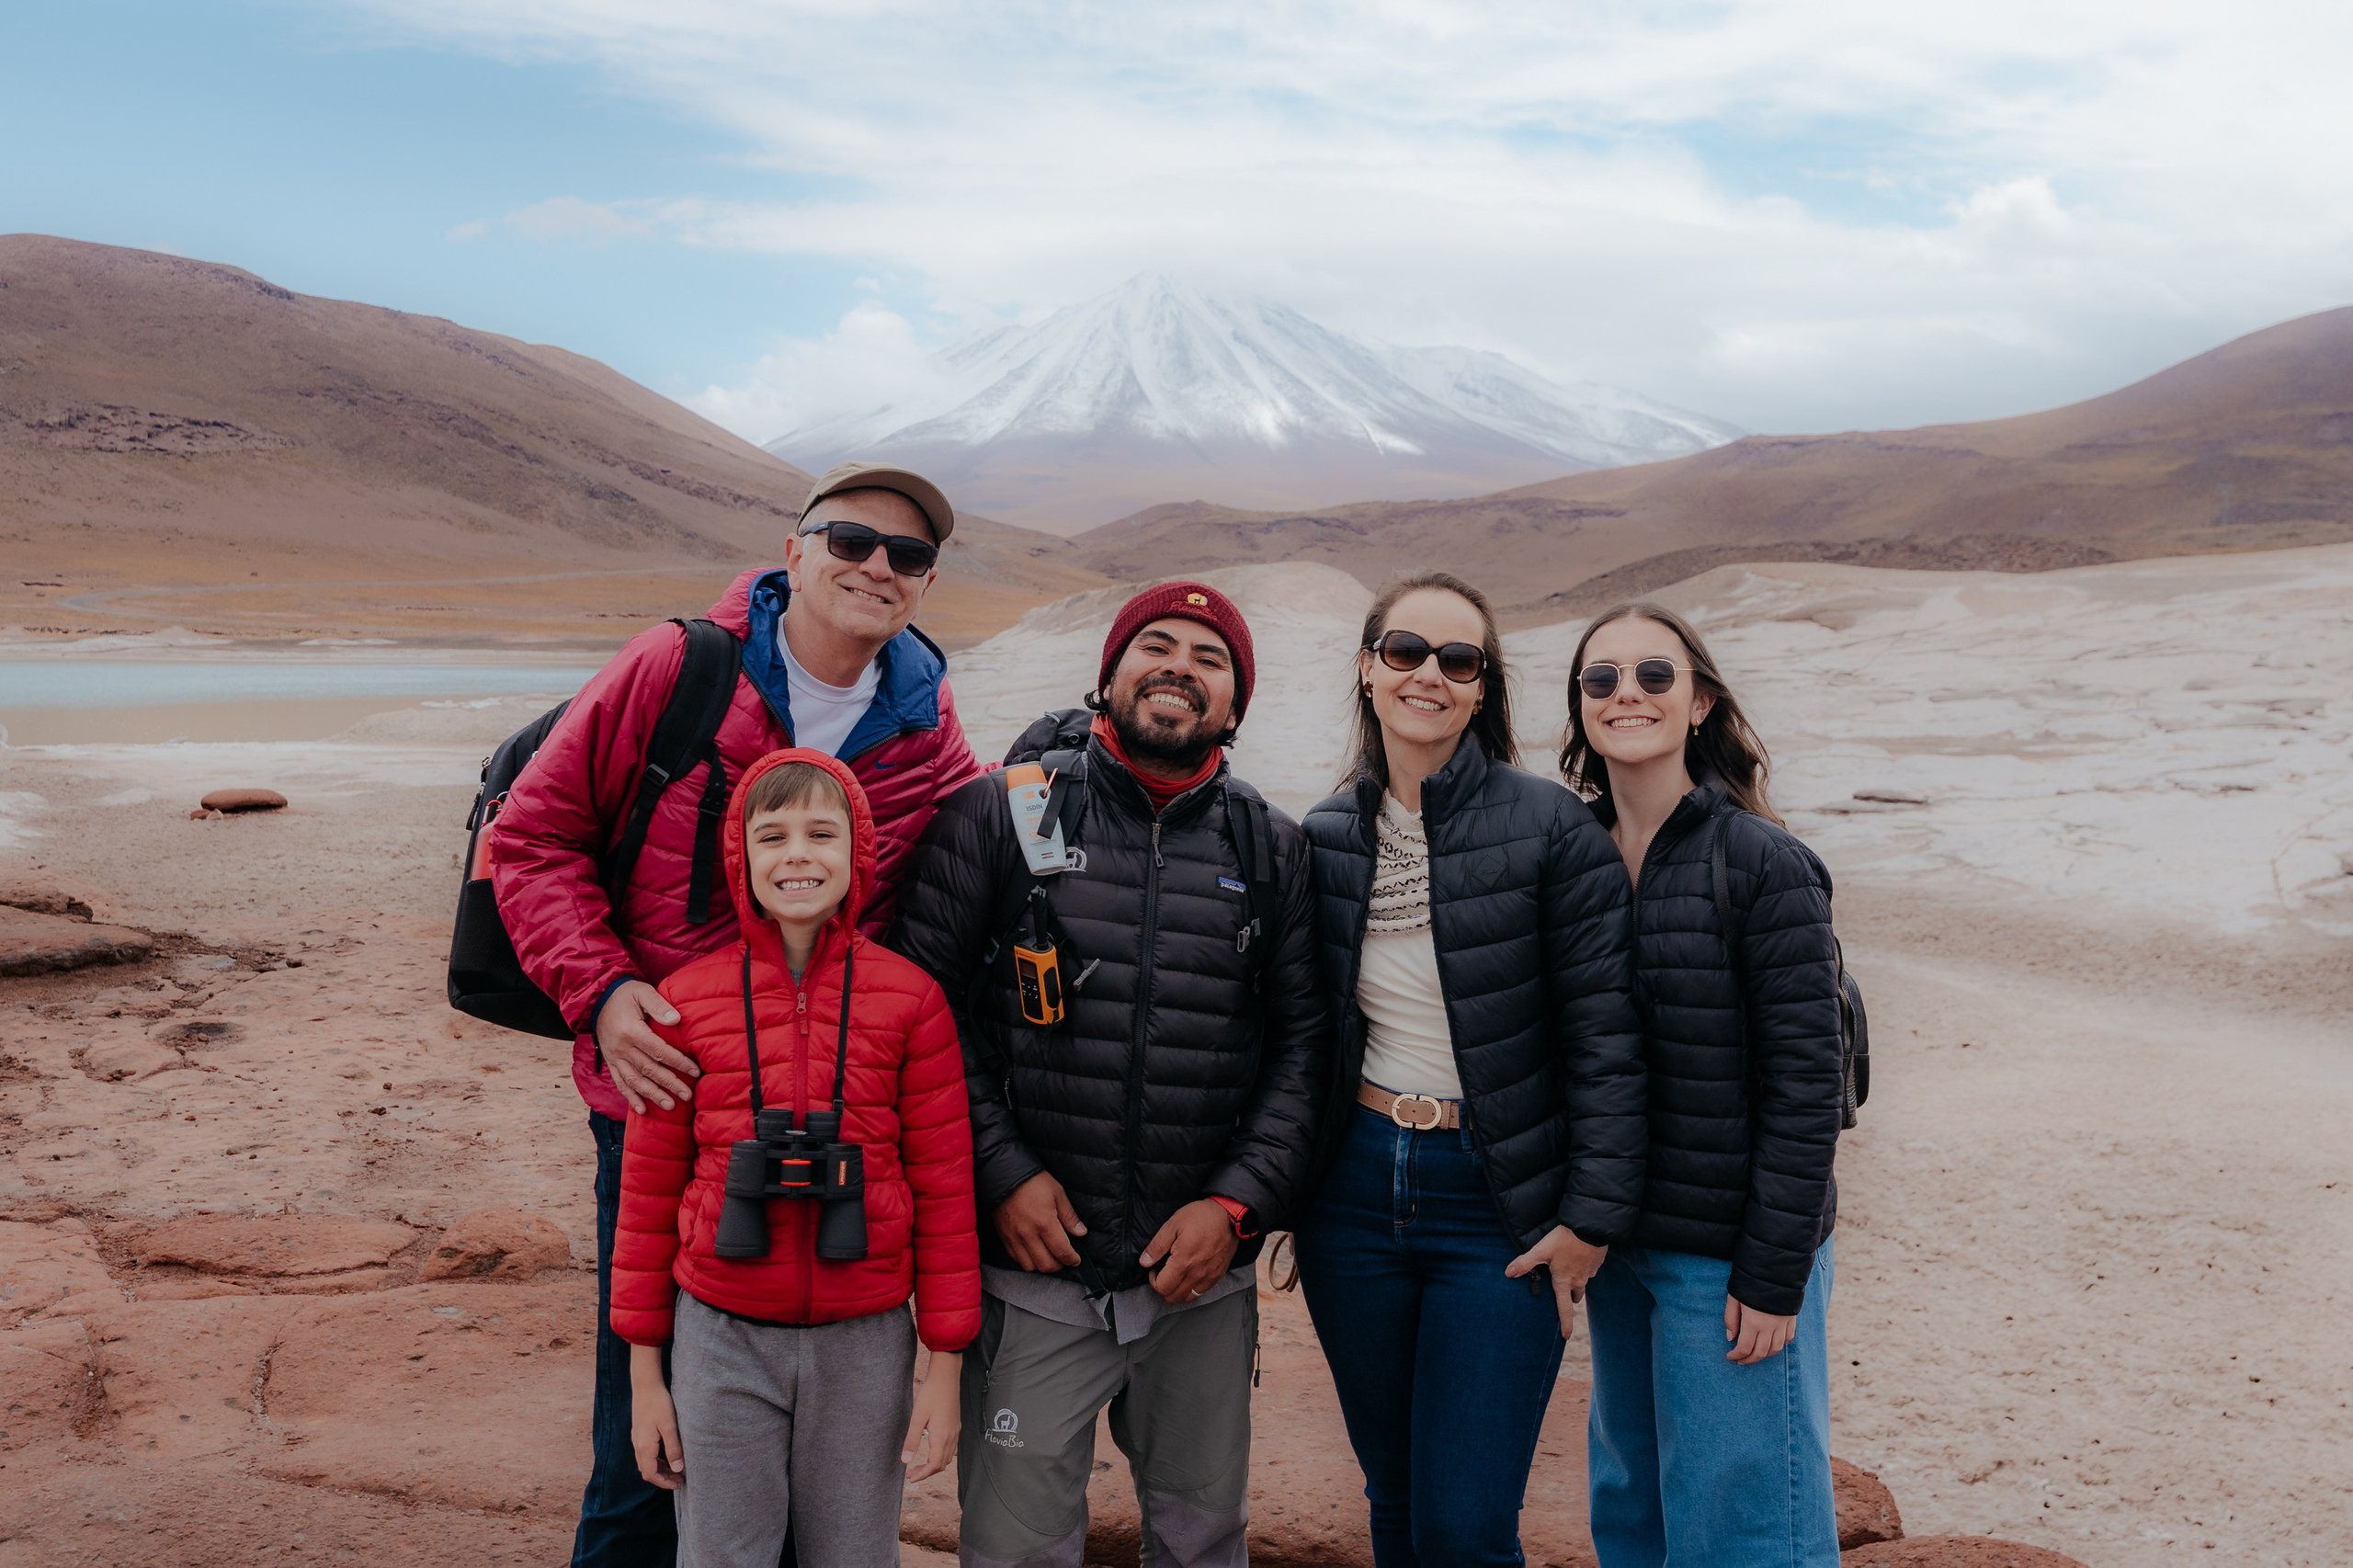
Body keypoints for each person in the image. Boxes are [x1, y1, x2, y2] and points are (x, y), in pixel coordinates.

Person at [490, 460, 985, 1567]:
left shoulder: (920, 708)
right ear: (796, 549)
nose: (876, 568)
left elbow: (969, 844)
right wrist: (604, 991)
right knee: (648, 1447)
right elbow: (531, 838)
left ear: (925, 582)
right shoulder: (682, 666)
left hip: (829, 1126)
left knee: (826, 1474)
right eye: (852, 541)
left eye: (906, 556)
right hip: (664, 1088)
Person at [890, 581, 1332, 1568]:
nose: (1179, 666)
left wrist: (1237, 1205)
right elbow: (918, 1012)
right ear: (1108, 674)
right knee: (1014, 1543)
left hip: (1198, 1282)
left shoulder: (1272, 847)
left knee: (1201, 1536)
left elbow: (1306, 1050)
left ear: (1235, 704)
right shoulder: (1005, 812)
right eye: (1156, 645)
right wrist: (999, 1171)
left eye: (1209, 657)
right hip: (1034, 1274)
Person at [1290, 571, 1647, 1568]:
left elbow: (1608, 1037)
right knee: (1394, 1494)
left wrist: (1590, 1219)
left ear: (1483, 688)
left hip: (1495, 1197)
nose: (1429, 676)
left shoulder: (1549, 827)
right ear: (1367, 668)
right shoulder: (1324, 835)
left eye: (1459, 660)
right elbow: (1303, 1034)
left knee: (1465, 1522)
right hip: (1353, 1194)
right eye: (1406, 651)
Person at [609, 748, 980, 1568]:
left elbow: (947, 1191)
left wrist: (944, 1370)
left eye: (822, 832)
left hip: (868, 1336)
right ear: (742, 859)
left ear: (860, 853)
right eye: (772, 836)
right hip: (720, 1334)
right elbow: (645, 1202)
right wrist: (645, 1380)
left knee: (854, 1551)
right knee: (720, 1552)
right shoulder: (688, 1000)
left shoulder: (912, 1000)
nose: (799, 855)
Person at [1559, 601, 1845, 1568]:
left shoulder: (1761, 862)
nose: (1624, 693)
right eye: (1600, 678)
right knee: (1631, 1510)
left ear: (1699, 702)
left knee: (1746, 1529)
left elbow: (1808, 1085)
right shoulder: (1572, 856)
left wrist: (1773, 1276)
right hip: (1620, 1249)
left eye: (1652, 675)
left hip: (1727, 1263)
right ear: (1579, 705)